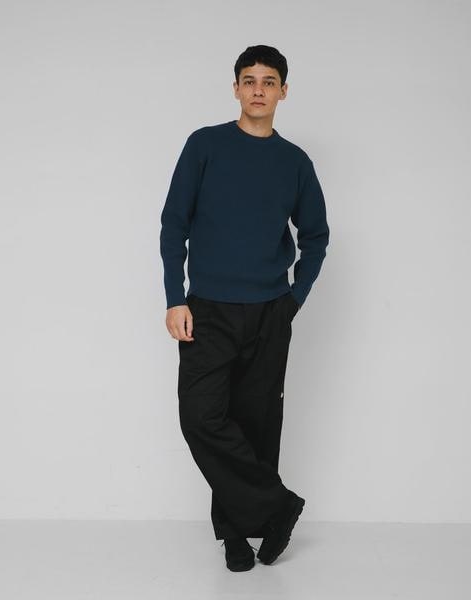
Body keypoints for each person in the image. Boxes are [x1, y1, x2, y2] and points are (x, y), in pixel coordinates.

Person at [159, 45, 330, 571]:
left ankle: (240, 535)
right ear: (235, 88)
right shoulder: (205, 145)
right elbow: (174, 224)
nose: (258, 89)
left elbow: (317, 236)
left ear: (283, 91)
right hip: (207, 310)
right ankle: (278, 507)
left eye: (269, 81)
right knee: (202, 417)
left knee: (256, 424)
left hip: (269, 311)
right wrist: (174, 297)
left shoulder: (295, 162)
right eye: (249, 80)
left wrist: (293, 300)